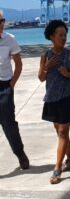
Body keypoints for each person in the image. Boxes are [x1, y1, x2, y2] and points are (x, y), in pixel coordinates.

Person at [38, 20, 70, 184]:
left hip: (67, 97)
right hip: (51, 98)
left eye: (65, 35)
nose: (63, 38)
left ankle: (57, 168)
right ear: (51, 36)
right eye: (60, 35)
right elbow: (41, 78)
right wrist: (47, 67)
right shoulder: (45, 56)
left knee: (63, 132)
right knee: (60, 132)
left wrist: (67, 73)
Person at [0, 10, 29, 170]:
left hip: (4, 86)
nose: (1, 24)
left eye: (2, 20)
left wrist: (12, 84)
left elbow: (18, 64)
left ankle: (20, 154)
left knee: (9, 124)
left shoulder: (10, 40)